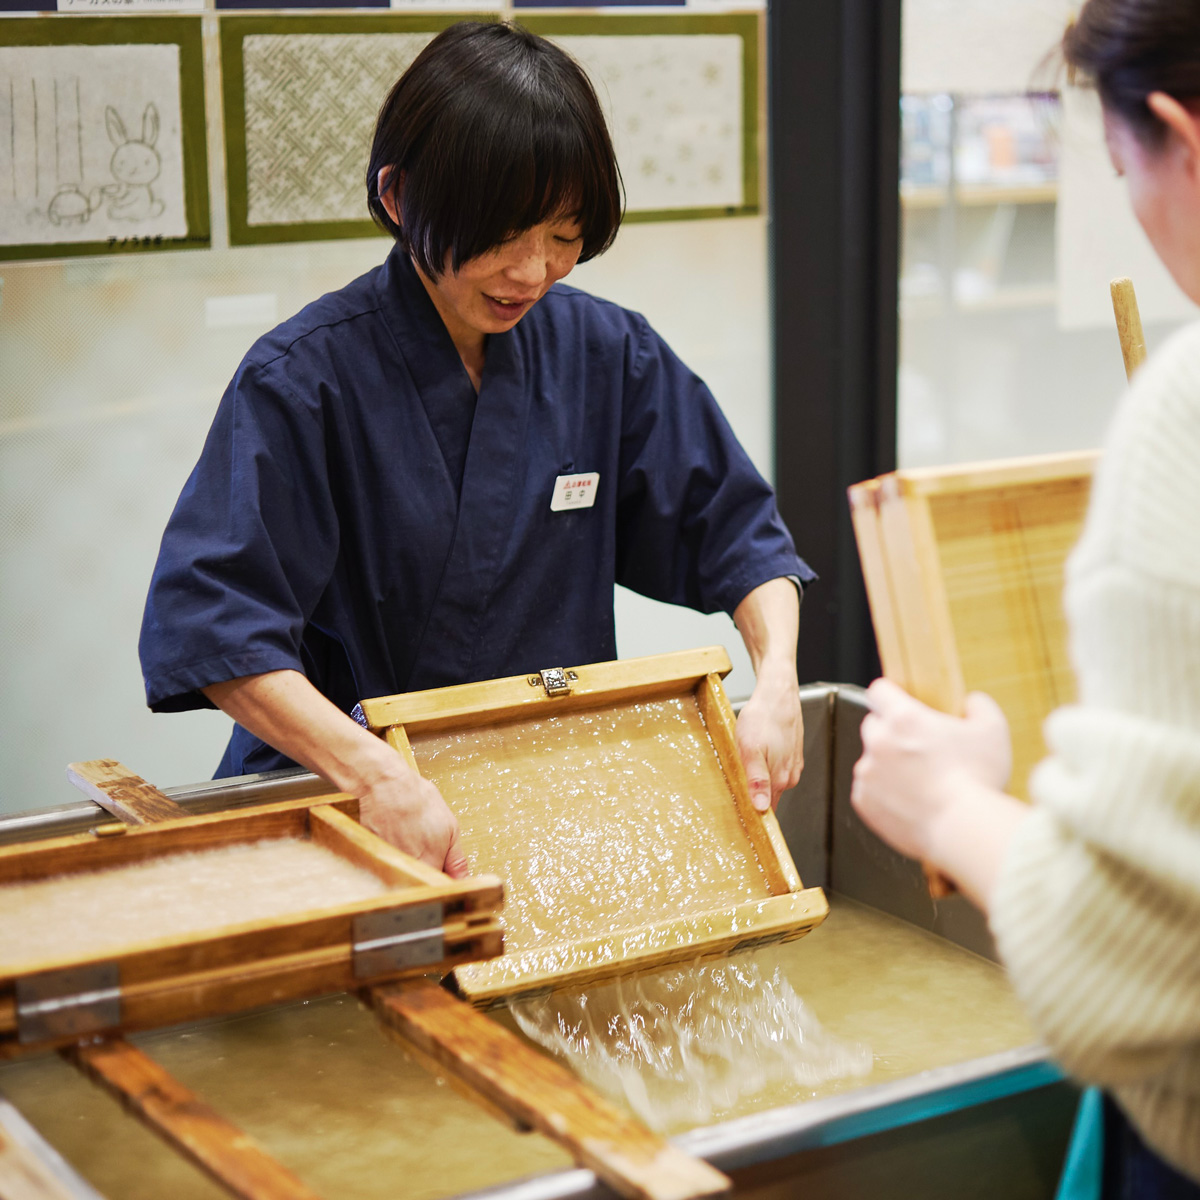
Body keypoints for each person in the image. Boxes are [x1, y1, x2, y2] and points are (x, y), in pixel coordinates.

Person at [139, 21, 813, 880]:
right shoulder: (302, 380)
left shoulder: (606, 354)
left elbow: (740, 536)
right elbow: (215, 623)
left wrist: (780, 680)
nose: (533, 271)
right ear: (398, 195)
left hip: (545, 803)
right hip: (344, 810)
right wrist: (371, 771)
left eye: (564, 235)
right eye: (503, 233)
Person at [850, 1, 1200, 1194]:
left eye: (1120, 171)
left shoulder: (1187, 415)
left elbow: (1132, 975)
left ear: (1177, 133)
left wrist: (950, 805)